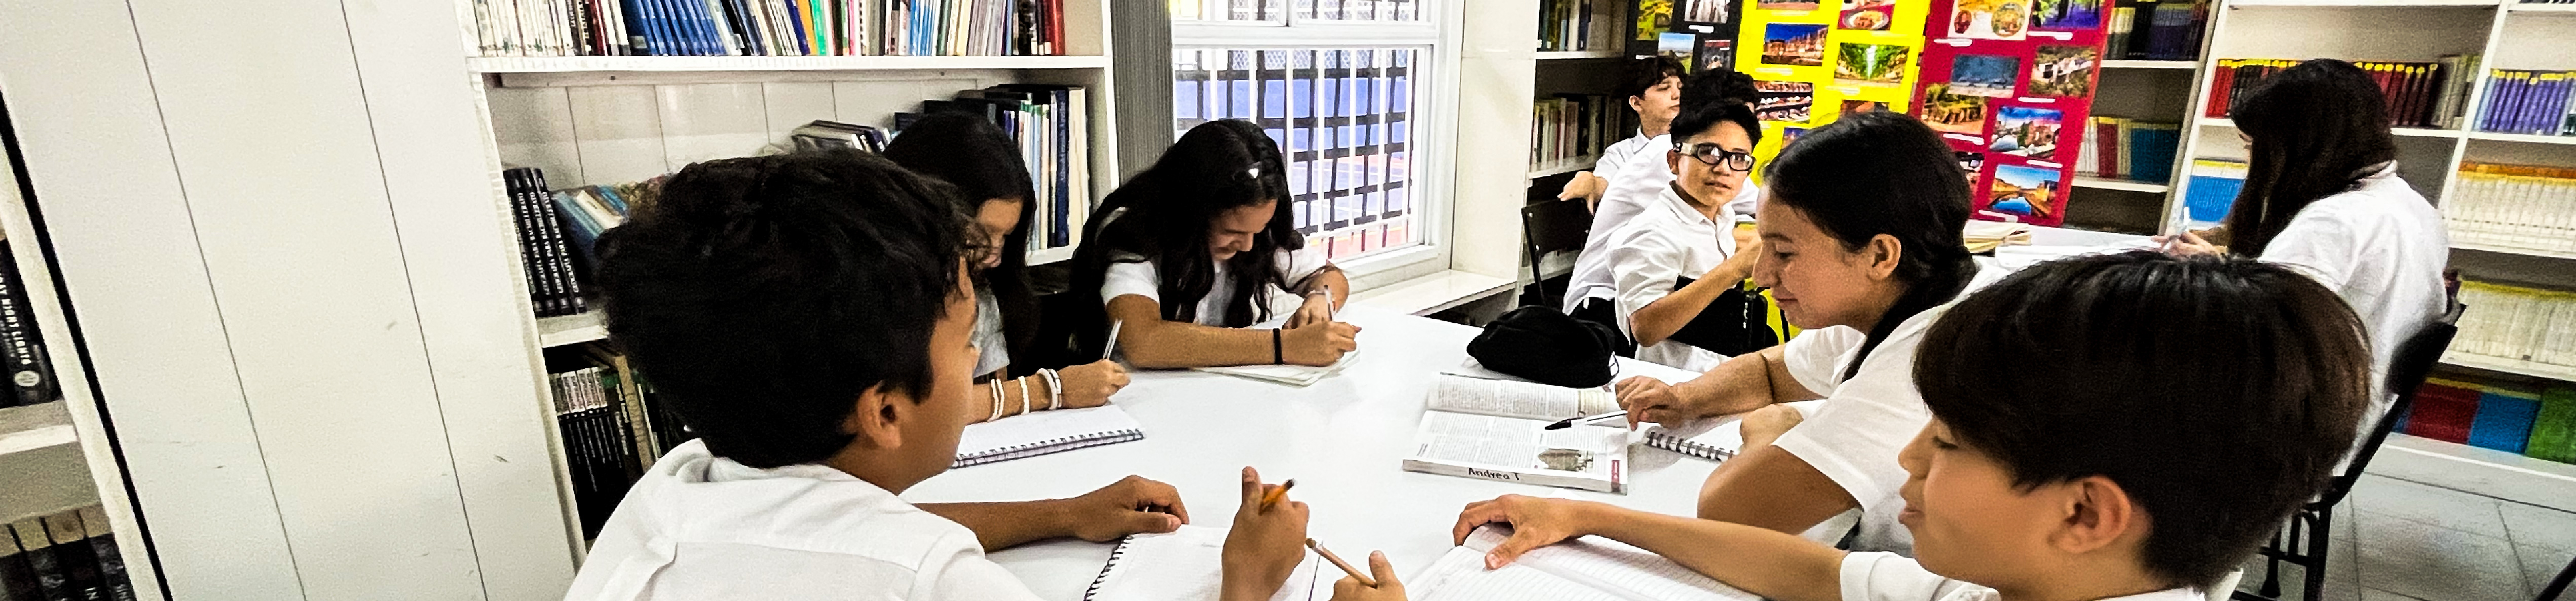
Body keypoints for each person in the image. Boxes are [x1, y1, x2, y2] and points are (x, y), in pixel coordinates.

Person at [1330, 251, 2373, 601]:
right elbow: (1819, 572)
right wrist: (1585, 513)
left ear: (2086, 509)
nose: (1907, 453)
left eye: (1950, 441)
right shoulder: (2051, 576)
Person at [568, 150, 1318, 600]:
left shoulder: (675, 483)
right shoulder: (935, 582)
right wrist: (1245, 583)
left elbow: (833, 534)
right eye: (965, 343)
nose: (976, 364)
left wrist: (1060, 512)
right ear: (883, 413)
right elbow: (892, 554)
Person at [1615, 110, 1994, 553]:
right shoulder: (1908, 296)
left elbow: (1734, 512)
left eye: (1782, 252)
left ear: (1878, 256)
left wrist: (1772, 423)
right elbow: (1771, 372)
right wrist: (1686, 398)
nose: (1760, 274)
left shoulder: (1932, 359)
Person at [2158, 58, 2450, 422]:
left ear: (2299, 148)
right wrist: (2225, 259)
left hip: (2302, 419)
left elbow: (2256, 335)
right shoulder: (2409, 204)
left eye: (2251, 147)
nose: (2249, 161)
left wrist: (2209, 273)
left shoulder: (2334, 222)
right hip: (2352, 402)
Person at [882, 112, 1129, 422]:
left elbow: (992, 397)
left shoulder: (983, 290)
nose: (993, 257)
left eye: (1006, 238)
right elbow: (910, 412)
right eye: (978, 236)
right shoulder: (868, 296)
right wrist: (1052, 390)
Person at [1065, 120, 1359, 368]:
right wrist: (1283, 347)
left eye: (1259, 230)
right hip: (1141, 394)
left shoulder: (1253, 236)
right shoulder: (1135, 234)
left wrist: (1321, 299)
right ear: (1193, 212)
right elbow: (1144, 341)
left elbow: (1328, 275)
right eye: (1232, 231)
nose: (1246, 246)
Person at [1563, 68, 1765, 324]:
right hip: (1606, 305)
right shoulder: (1680, 154)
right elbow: (1768, 213)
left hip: (1663, 296)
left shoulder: (1718, 172)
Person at [1590, 101, 1769, 371]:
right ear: (1674, 161)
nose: (1724, 169)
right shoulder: (1650, 232)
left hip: (1715, 373)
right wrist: (1735, 269)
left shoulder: (1721, 216)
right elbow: (1646, 328)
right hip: (1670, 382)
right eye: (1708, 153)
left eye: (1739, 158)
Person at [1557, 56, 1686, 210]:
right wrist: (1590, 182)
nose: (1677, 95)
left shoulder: (1696, 147)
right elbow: (1602, 184)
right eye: (1665, 88)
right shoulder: (1621, 154)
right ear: (1637, 103)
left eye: (1680, 88)